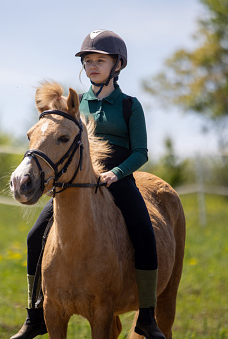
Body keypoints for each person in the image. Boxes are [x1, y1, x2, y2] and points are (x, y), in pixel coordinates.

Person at [11, 29, 165, 339]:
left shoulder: (129, 106)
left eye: (100, 60)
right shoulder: (75, 104)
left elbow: (141, 152)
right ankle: (34, 314)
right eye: (88, 61)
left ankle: (147, 317)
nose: (92, 66)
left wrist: (117, 173)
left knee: (145, 234)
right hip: (76, 179)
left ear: (117, 65)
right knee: (33, 237)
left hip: (117, 178)